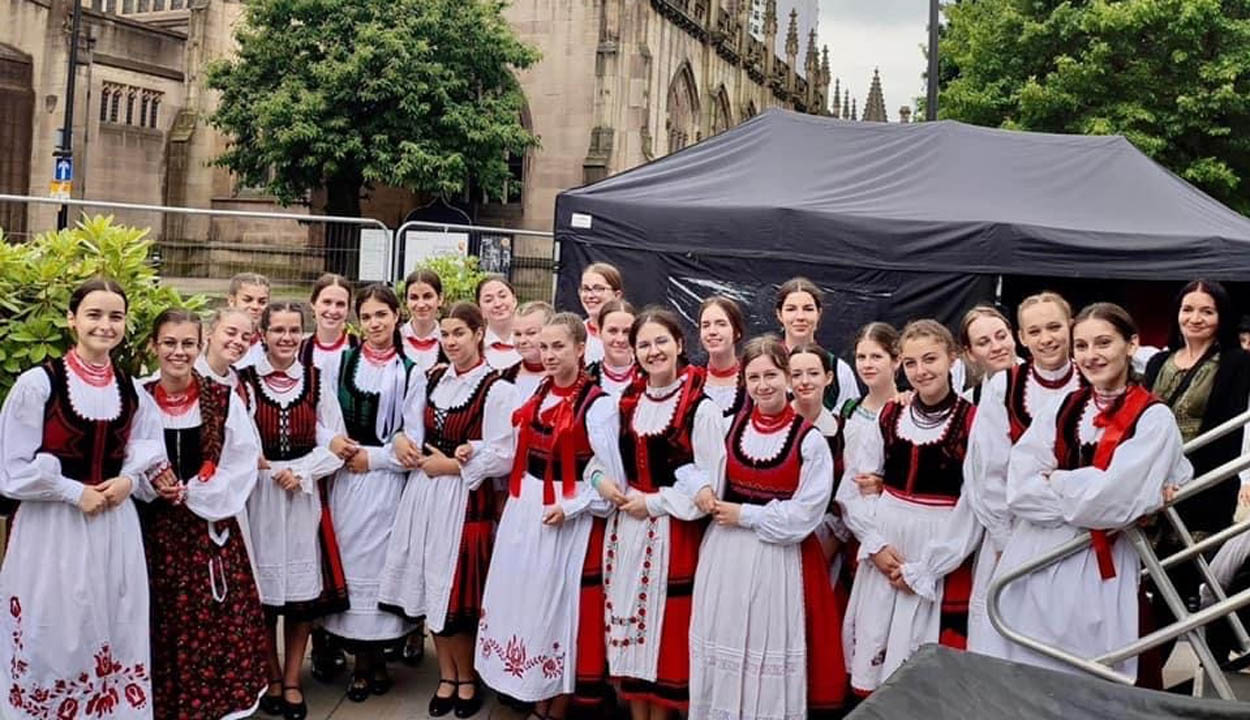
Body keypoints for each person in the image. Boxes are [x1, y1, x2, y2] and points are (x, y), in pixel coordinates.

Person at [981, 303, 1191, 681]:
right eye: (1081, 346)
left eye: (1104, 343)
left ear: (1132, 345)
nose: (1091, 356)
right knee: (1027, 667)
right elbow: (1019, 488)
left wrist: (1057, 479)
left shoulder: (1153, 417)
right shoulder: (1064, 404)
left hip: (1097, 564)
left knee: (1089, 669)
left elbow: (1111, 503)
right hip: (1034, 555)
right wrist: (1089, 491)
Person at [0, 278, 168, 720]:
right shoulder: (39, 384)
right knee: (54, 627)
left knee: (114, 621)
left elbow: (149, 452)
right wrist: (73, 493)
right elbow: (11, 470)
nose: (105, 325)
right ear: (71, 319)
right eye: (94, 314)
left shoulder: (131, 390)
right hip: (52, 530)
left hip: (115, 528)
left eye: (115, 316)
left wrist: (129, 482)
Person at [476, 313, 626, 720]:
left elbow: (612, 482)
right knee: (521, 601)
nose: (550, 354)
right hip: (526, 509)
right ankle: (530, 692)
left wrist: (573, 506)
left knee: (553, 608)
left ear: (581, 348)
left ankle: (554, 705)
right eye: (544, 347)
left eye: (559, 346)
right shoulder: (538, 393)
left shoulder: (599, 406)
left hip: (566, 515)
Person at [688, 335, 845, 719]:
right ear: (744, 381)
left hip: (777, 559)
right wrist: (702, 490)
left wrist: (745, 515)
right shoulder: (727, 427)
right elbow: (692, 467)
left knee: (765, 640)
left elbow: (804, 515)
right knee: (724, 638)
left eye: (772, 375)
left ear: (788, 379)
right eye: (754, 377)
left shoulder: (810, 441)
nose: (763, 385)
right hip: (725, 556)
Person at [379, 302, 516, 719]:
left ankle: (467, 677)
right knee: (429, 582)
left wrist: (456, 465)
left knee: (455, 591)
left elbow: (504, 453)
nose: (451, 342)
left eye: (459, 333)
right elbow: (410, 428)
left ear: (479, 334)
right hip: (424, 494)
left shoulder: (497, 389)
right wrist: (403, 441)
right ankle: (446, 675)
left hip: (463, 500)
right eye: (446, 334)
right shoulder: (430, 376)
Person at [596, 308, 726, 718]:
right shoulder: (626, 402)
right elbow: (596, 459)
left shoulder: (699, 408)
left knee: (666, 640)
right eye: (644, 344)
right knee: (632, 635)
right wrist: (601, 481)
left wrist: (651, 503)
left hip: (675, 535)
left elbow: (711, 485)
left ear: (679, 345)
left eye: (660, 342)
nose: (653, 351)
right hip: (627, 532)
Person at [140, 308, 270, 720]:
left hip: (208, 529)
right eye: (169, 343)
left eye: (187, 344)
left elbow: (242, 460)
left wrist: (199, 492)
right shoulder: (139, 396)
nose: (179, 352)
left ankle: (215, 705)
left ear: (200, 346)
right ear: (154, 346)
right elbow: (127, 454)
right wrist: (151, 485)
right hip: (153, 530)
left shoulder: (220, 397)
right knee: (159, 618)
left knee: (214, 621)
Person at [840, 320, 981, 695]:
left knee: (920, 666)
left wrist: (927, 569)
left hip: (936, 551)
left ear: (953, 358)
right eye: (912, 363)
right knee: (875, 649)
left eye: (931, 359)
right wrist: (875, 544)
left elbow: (974, 503)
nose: (922, 371)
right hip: (887, 547)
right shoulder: (890, 416)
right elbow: (855, 485)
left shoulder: (972, 422)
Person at [239, 302, 350, 718]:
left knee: (301, 600)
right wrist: (266, 467)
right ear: (263, 334)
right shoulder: (246, 382)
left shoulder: (317, 381)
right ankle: (269, 676)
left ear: (303, 334)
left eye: (293, 330)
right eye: (278, 330)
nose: (286, 338)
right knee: (267, 598)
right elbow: (240, 440)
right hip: (262, 498)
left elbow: (337, 443)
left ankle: (291, 679)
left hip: (302, 499)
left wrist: (302, 471)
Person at [320, 285, 426, 702]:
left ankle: (374, 661)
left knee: (381, 567)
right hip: (346, 480)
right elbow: (324, 422)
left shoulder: (410, 370)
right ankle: (362, 660)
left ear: (396, 316)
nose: (375, 323)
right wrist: (340, 447)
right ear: (357, 322)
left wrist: (376, 458)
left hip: (385, 483)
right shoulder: (340, 365)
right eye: (367, 316)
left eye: (382, 314)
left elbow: (412, 439)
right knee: (351, 564)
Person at [965, 292, 1082, 652]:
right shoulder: (1004, 386)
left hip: (1079, 532)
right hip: (1017, 531)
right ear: (1022, 336)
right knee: (1009, 632)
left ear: (1070, 327)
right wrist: (1004, 540)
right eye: (1035, 330)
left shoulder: (1092, 379)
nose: (1046, 338)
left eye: (1054, 327)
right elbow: (988, 472)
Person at [1144, 281, 1250, 550]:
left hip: (1204, 483)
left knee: (1192, 568)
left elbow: (1229, 432)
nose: (1195, 318)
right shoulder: (1158, 363)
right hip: (1153, 480)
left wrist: (1181, 477)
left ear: (1222, 317)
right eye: (1187, 309)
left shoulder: (1237, 362)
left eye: (1207, 311)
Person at [790, 343, 852, 584]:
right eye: (796, 374)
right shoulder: (773, 425)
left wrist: (831, 543)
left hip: (824, 539)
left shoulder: (844, 429)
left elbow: (847, 496)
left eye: (813, 373)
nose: (804, 381)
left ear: (828, 378)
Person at [774, 277, 858, 411]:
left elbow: (851, 421)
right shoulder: (764, 365)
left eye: (808, 309)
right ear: (779, 314)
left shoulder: (838, 370)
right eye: (791, 309)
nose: (800, 316)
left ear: (818, 313)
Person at [697, 296, 747, 419]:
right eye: (706, 325)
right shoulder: (692, 380)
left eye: (721, 324)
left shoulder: (751, 379)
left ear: (737, 332)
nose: (712, 331)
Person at [956, 305, 1018, 403]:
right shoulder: (968, 404)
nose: (996, 347)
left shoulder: (1045, 382)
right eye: (983, 343)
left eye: (1001, 336)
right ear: (970, 353)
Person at [197, 307, 257, 401]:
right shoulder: (187, 377)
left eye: (245, 338)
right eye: (231, 333)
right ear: (209, 333)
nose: (238, 341)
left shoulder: (244, 389)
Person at [300, 273, 358, 369]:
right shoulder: (299, 351)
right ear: (313, 303)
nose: (333, 310)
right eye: (327, 302)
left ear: (348, 309)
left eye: (340, 304)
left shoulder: (361, 349)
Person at [500, 301, 553, 404]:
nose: (522, 341)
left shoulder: (566, 377)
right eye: (517, 334)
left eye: (531, 333)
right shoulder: (506, 376)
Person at [586, 299, 639, 395]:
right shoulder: (585, 380)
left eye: (627, 332)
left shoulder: (649, 377)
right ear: (599, 333)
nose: (620, 339)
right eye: (613, 331)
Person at [578, 262, 625, 365]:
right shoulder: (574, 334)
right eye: (585, 289)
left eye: (598, 289)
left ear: (617, 295)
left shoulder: (634, 335)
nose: (590, 295)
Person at [401, 268, 446, 371]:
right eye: (414, 297)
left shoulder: (448, 340)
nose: (421, 304)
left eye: (427, 297)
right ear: (406, 301)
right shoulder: (395, 339)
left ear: (440, 299)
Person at [227, 272, 272, 369]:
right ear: (231, 301)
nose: (255, 307)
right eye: (247, 300)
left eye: (262, 302)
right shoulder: (215, 342)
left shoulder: (271, 345)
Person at [478, 275, 522, 370]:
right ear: (480, 309)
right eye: (488, 300)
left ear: (514, 301)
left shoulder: (533, 342)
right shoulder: (475, 348)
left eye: (502, 296)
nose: (497, 304)